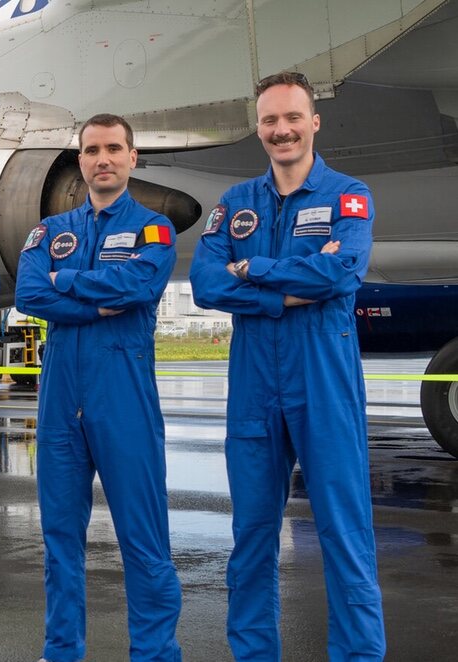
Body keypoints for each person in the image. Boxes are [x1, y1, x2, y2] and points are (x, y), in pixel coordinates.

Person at [191, 71, 387, 659]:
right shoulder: (235, 205)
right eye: (271, 120)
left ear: (314, 121)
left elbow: (343, 272)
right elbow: (204, 283)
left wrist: (251, 271)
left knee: (344, 532)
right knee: (251, 536)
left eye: (292, 117)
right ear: (259, 129)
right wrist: (288, 285)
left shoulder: (349, 196)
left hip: (322, 380)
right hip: (254, 383)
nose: (282, 130)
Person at [15, 113, 182, 662]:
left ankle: (155, 653)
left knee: (144, 539)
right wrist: (97, 299)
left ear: (133, 157)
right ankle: (61, 651)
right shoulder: (50, 232)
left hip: (123, 395)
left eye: (113, 148)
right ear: (80, 160)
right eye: (91, 150)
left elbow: (141, 284)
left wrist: (67, 283)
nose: (102, 158)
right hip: (61, 399)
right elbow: (31, 294)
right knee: (60, 540)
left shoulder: (154, 229)